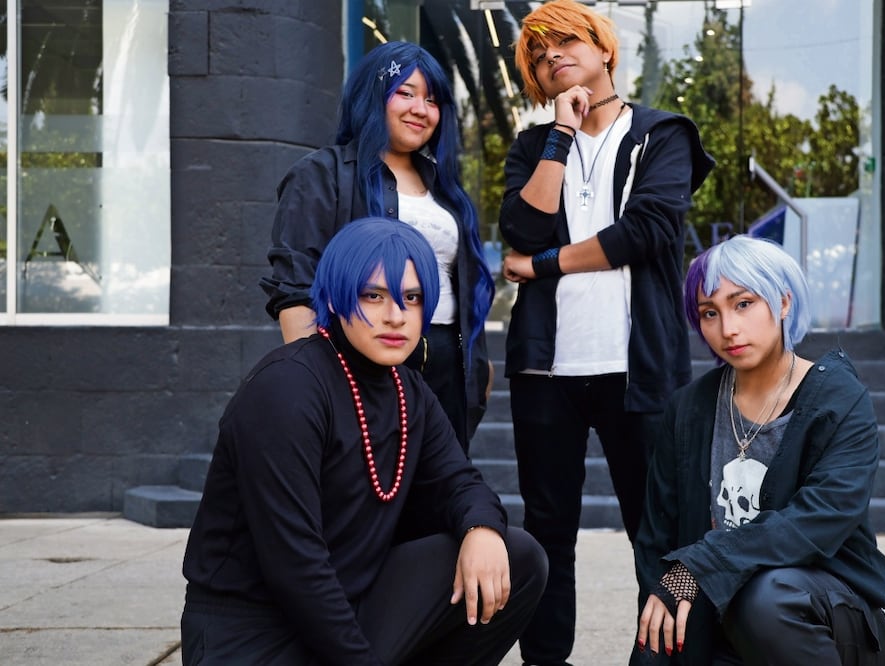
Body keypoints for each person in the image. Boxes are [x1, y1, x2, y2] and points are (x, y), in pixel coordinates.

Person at [182, 218, 547, 665]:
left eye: (412, 298)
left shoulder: (407, 391)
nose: (395, 315)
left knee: (518, 557)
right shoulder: (287, 388)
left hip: (348, 607)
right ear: (334, 298)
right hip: (253, 634)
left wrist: (482, 529)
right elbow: (295, 566)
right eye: (373, 296)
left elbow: (461, 483)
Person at [498, 1, 714, 663]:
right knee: (545, 530)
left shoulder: (662, 134)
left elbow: (648, 231)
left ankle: (666, 658)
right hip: (545, 373)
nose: (552, 54)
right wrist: (560, 134)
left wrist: (543, 265)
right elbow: (521, 228)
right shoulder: (533, 147)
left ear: (603, 48)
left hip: (639, 371)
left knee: (665, 531)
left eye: (566, 40)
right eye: (539, 53)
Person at [632, 235, 885, 665]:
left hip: (838, 617)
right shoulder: (688, 408)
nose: (728, 328)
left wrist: (701, 565)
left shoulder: (839, 399)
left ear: (783, 303)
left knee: (765, 600)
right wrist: (662, 616)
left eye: (743, 304)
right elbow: (656, 537)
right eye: (710, 313)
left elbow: (819, 520)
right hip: (723, 617)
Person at [260, 40, 494, 453]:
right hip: (360, 359)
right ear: (373, 96)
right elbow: (295, 288)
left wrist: (480, 364)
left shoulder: (447, 190)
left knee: (441, 481)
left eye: (432, 100)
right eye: (405, 93)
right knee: (367, 479)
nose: (421, 109)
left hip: (448, 362)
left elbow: (465, 284)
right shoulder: (322, 173)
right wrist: (312, 382)